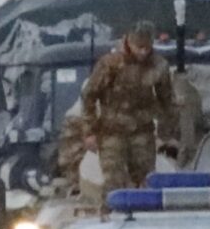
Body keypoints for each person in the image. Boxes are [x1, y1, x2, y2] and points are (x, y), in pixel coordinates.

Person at [59, 23, 180, 191]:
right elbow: (89, 96)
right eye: (139, 47)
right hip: (112, 134)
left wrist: (167, 133)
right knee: (113, 183)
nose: (143, 52)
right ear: (129, 42)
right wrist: (90, 132)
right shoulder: (110, 64)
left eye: (147, 47)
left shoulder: (158, 65)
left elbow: (167, 100)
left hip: (142, 132)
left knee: (147, 182)